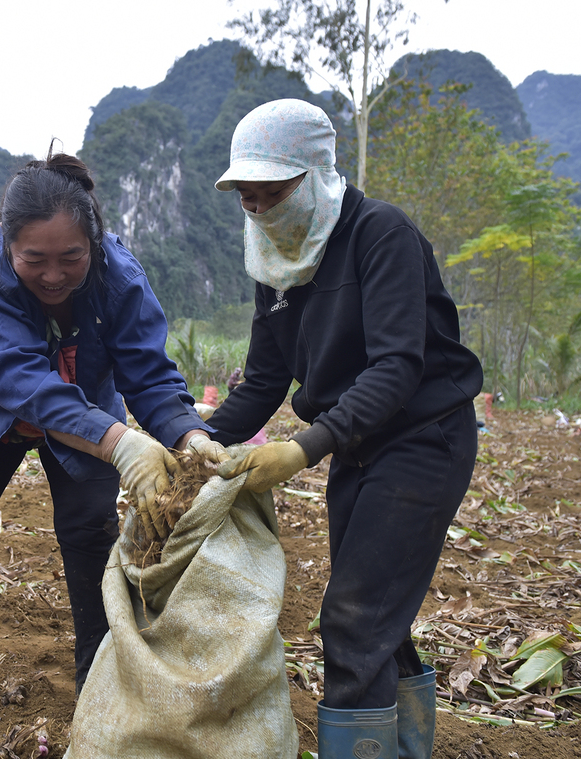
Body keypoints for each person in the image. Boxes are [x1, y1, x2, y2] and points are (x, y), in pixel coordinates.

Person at [206, 100, 483, 759]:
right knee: (378, 613)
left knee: (354, 618)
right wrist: (197, 445)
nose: (258, 208)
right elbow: (267, 378)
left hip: (422, 439)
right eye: (246, 196)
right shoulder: (274, 258)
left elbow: (397, 367)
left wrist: (301, 449)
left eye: (271, 192)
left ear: (316, 174)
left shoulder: (379, 234)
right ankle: (403, 747)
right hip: (358, 447)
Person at [0, 150, 225, 688]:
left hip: (87, 414)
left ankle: (97, 684)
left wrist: (191, 436)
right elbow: (18, 380)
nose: (53, 275)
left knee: (91, 535)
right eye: (34, 260)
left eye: (71, 257)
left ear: (93, 243)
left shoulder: (120, 277)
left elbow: (148, 375)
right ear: (8, 246)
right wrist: (120, 442)